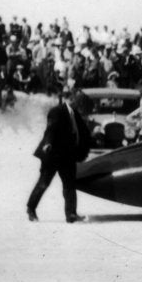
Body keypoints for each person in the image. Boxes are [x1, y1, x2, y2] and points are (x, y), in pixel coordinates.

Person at [26, 84, 93, 222]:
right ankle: (31, 209)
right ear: (69, 99)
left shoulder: (75, 114)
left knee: (69, 185)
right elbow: (51, 129)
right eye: (75, 100)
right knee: (43, 183)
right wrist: (48, 143)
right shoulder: (57, 111)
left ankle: (71, 214)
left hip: (67, 156)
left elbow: (82, 132)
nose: (77, 103)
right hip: (53, 155)